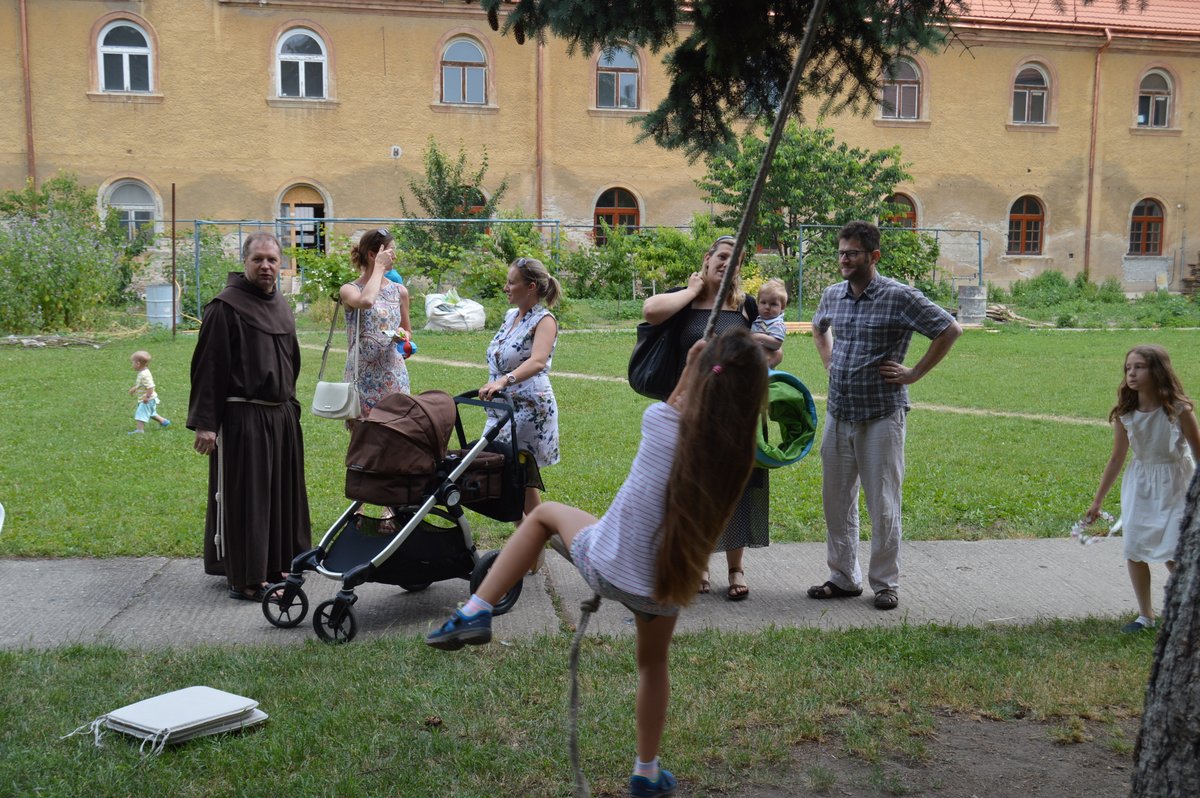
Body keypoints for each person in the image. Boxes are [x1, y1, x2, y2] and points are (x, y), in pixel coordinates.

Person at [427, 329, 769, 798]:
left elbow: (675, 403)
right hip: (663, 586)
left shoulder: (660, 422)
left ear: (703, 377)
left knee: (544, 515)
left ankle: (475, 611)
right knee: (653, 665)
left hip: (607, 562)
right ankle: (646, 771)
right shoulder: (737, 460)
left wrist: (691, 364)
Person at [806, 220, 961, 611]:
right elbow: (818, 327)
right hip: (839, 413)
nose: (844, 259)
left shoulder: (900, 296)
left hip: (881, 415)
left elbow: (949, 329)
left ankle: (885, 583)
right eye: (841, 253)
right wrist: (829, 362)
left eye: (852, 253)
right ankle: (843, 578)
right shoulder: (833, 294)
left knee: (883, 504)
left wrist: (914, 373)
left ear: (873, 256)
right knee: (836, 502)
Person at [642, 235, 778, 601]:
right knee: (692, 488)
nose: (727, 264)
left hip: (736, 412)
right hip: (689, 411)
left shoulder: (746, 305)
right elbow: (650, 311)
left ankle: (736, 568)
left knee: (736, 489)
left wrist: (764, 358)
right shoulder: (684, 299)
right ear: (708, 258)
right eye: (722, 256)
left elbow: (765, 349)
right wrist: (692, 291)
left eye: (735, 260)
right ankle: (699, 562)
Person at [187, 232, 313, 602]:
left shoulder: (281, 304)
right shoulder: (224, 308)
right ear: (245, 262)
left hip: (280, 415)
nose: (266, 266)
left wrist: (289, 405)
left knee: (279, 496)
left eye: (272, 260)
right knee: (249, 499)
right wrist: (206, 424)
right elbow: (208, 368)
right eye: (258, 259)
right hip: (243, 418)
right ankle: (246, 578)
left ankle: (276, 565)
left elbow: (292, 360)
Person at [1085, 344, 1199, 633]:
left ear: (1158, 371)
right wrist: (1098, 501)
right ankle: (1145, 616)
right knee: (1135, 548)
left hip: (1178, 483)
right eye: (1128, 368)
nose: (1132, 373)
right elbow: (1116, 458)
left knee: (1173, 551)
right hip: (1142, 484)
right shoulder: (1126, 414)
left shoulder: (1179, 410)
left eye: (1139, 367)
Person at [478, 257, 562, 520]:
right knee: (509, 475)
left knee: (517, 476)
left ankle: (538, 535)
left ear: (531, 287)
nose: (506, 287)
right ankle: (532, 536)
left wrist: (504, 381)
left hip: (529, 407)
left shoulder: (544, 320)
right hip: (502, 407)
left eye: (511, 283)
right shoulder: (511, 316)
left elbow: (538, 361)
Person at [339, 228, 412, 416]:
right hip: (361, 377)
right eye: (390, 251)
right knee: (364, 430)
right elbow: (366, 301)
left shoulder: (400, 291)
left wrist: (403, 335)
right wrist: (378, 268)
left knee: (397, 427)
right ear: (373, 255)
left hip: (394, 374)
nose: (394, 256)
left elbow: (407, 330)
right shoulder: (350, 289)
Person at [128, 350, 170, 433]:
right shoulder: (143, 372)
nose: (132, 365)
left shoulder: (144, 374)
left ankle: (140, 430)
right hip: (150, 398)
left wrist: (147, 397)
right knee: (151, 413)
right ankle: (164, 421)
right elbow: (142, 384)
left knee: (140, 414)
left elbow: (151, 387)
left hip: (148, 399)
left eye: (132, 363)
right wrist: (135, 388)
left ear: (138, 364)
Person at [750, 278, 788, 356]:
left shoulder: (777, 324)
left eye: (773, 304)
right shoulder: (759, 320)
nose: (767, 307)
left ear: (782, 307)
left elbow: (777, 344)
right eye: (763, 302)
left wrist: (759, 337)